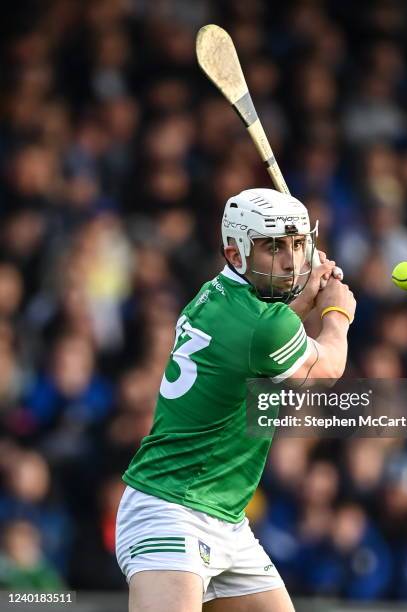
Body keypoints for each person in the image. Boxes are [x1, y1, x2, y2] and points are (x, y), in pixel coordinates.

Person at [115, 188, 356, 612]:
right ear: (235, 253)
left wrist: (304, 300)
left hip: (225, 517)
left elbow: (266, 334)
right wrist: (337, 313)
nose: (290, 260)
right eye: (273, 247)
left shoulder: (217, 294)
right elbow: (326, 370)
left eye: (299, 244)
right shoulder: (262, 326)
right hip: (171, 508)